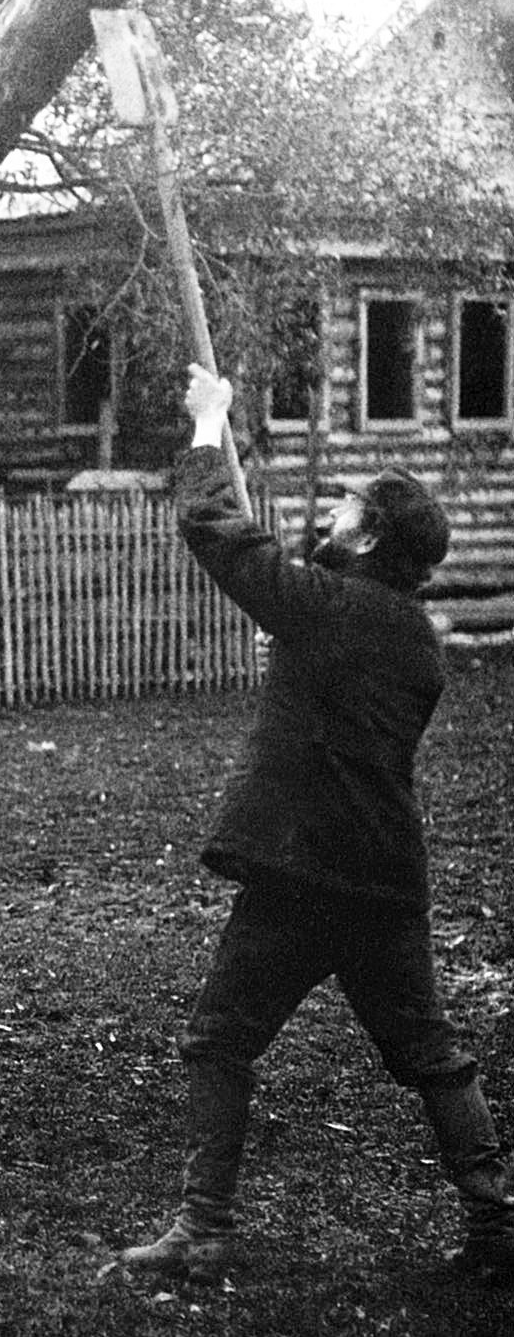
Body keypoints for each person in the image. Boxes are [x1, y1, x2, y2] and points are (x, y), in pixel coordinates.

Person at [119, 365, 513, 1284]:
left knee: (220, 1040)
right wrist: (297, 635)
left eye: (344, 508)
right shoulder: (412, 631)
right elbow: (334, 649)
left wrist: (210, 423)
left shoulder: (331, 611)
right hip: (383, 875)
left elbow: (213, 528)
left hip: (305, 872)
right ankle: (498, 1219)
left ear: (371, 534)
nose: (329, 513)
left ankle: (205, 1227)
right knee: (429, 1051)